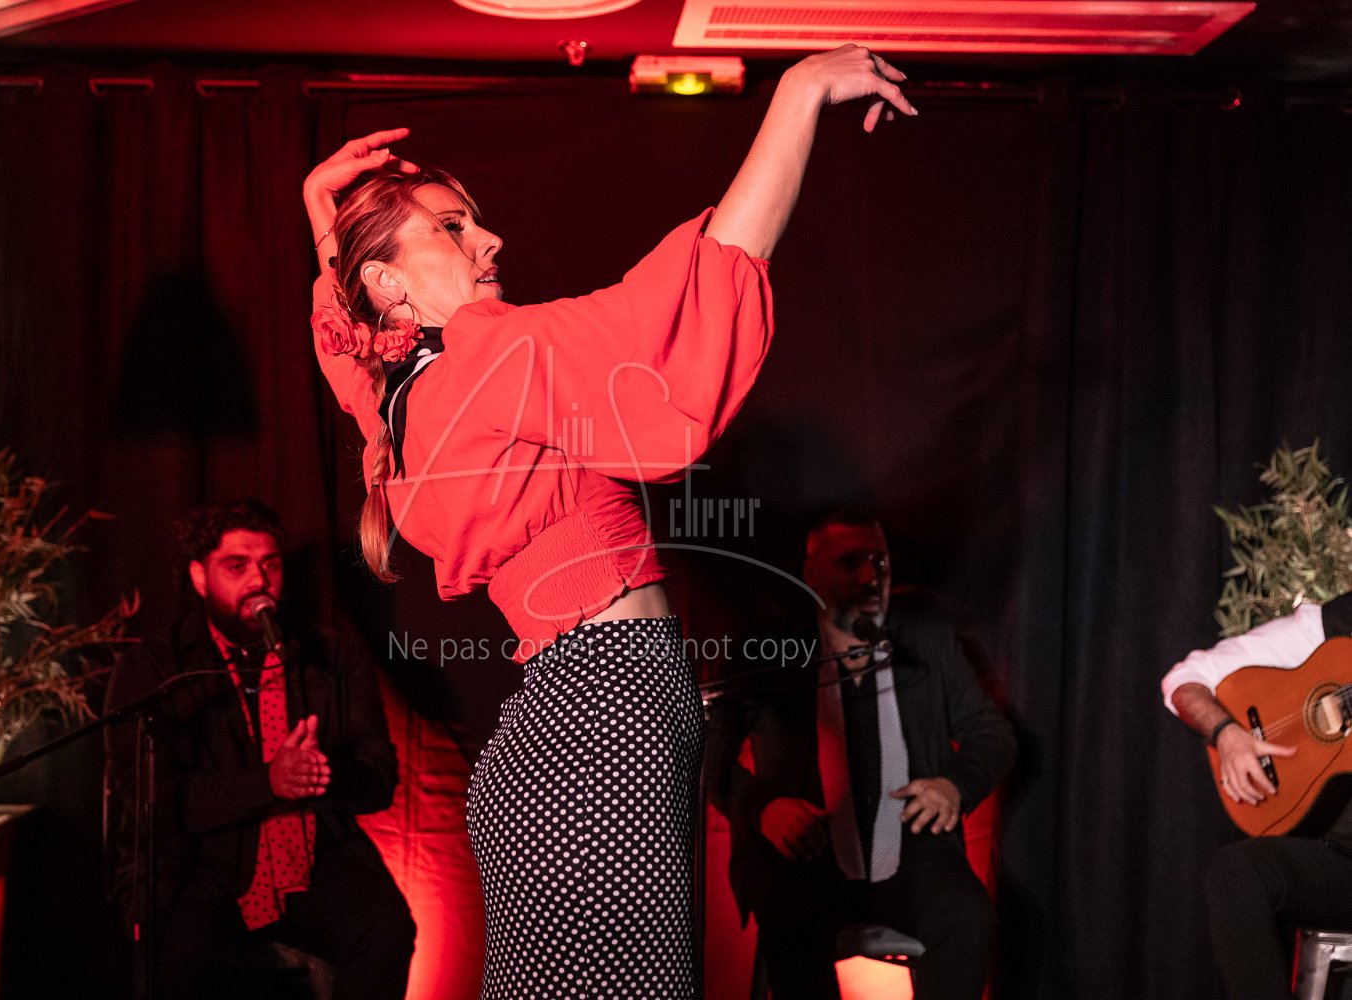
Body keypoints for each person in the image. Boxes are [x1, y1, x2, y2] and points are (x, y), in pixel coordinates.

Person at [301, 45, 918, 999]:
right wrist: (797, 95)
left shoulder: (398, 417)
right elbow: (674, 311)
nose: (489, 241)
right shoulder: (478, 356)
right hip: (607, 710)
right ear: (387, 285)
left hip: (569, 720)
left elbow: (349, 341)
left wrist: (322, 215)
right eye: (454, 227)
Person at [104, 498, 413, 1000]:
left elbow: (379, 779)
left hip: (313, 851)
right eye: (237, 566)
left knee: (387, 928)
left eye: (270, 565)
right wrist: (268, 783)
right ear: (200, 577)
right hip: (198, 863)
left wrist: (319, 774)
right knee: (174, 955)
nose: (258, 580)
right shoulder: (155, 667)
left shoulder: (333, 655)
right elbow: (153, 799)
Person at [710, 512, 1015, 999]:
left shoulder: (927, 640)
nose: (871, 576)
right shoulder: (769, 652)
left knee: (969, 918)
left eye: (880, 562)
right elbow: (707, 750)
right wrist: (764, 807)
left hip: (913, 852)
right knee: (787, 915)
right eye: (849, 562)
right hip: (806, 855)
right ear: (811, 574)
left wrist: (954, 785)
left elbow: (991, 732)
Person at [1162, 591, 1352, 1000]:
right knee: (1236, 871)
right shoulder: (1334, 626)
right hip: (1341, 866)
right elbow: (1187, 679)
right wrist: (1226, 733)